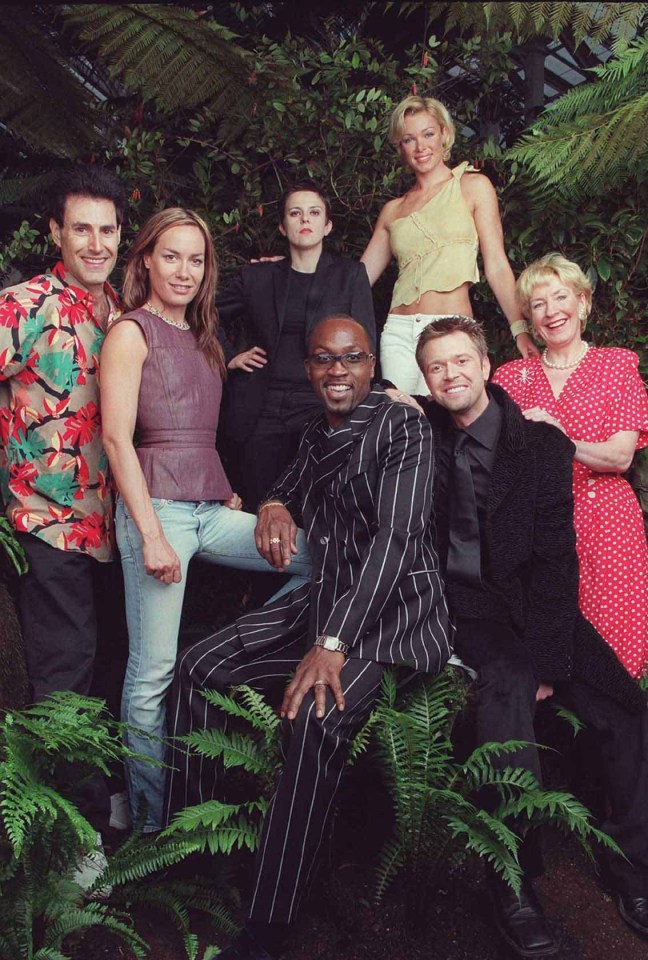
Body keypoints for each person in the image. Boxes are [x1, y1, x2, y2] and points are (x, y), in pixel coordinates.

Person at [165, 315, 453, 960]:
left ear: (371, 363)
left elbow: (397, 540)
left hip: (392, 611)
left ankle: (268, 923)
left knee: (316, 714)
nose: (338, 370)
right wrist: (270, 506)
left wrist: (333, 643)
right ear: (309, 368)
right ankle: (187, 857)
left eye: (350, 358)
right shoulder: (314, 432)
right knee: (197, 664)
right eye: (324, 359)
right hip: (324, 597)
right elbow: (288, 490)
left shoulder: (401, 425)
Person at [411, 315, 648, 957]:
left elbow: (555, 559)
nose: (451, 374)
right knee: (507, 696)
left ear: (487, 366)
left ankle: (632, 868)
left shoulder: (540, 447)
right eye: (437, 366)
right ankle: (512, 881)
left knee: (626, 708)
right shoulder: (420, 438)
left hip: (538, 605)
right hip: (468, 609)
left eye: (462, 361)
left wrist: (551, 656)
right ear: (426, 380)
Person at [100, 209, 311, 833]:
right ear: (144, 261)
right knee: (151, 674)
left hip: (208, 508)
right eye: (171, 256)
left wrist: (216, 492)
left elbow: (198, 433)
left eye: (196, 259)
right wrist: (151, 534)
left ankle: (250, 649)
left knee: (320, 556)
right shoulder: (130, 333)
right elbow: (116, 440)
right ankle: (148, 826)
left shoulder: (206, 336)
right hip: (156, 512)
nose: (184, 271)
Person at [0, 166, 127, 883]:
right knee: (65, 677)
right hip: (50, 525)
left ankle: (103, 799)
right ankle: (69, 842)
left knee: (112, 667)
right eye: (82, 228)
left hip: (120, 526)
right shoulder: (23, 305)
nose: (96, 242)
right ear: (55, 232)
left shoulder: (124, 311)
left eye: (107, 229)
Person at [492, 253, 648, 679]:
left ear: (583, 303)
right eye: (538, 304)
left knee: (613, 651)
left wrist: (560, 439)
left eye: (561, 297)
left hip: (606, 521)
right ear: (530, 318)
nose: (552, 311)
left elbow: (620, 456)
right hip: (537, 526)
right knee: (545, 654)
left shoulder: (617, 365)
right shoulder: (509, 378)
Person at [360, 94, 538, 396]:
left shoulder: (473, 186)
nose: (421, 147)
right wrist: (289, 269)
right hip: (398, 333)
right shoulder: (393, 210)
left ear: (444, 134)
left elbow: (496, 266)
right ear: (400, 147)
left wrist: (519, 328)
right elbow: (356, 279)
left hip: (451, 326)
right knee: (402, 427)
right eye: (409, 139)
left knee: (449, 423)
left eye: (428, 134)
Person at [217, 183, 376, 510]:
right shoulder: (257, 276)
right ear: (282, 225)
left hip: (321, 401)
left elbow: (364, 344)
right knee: (260, 504)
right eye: (295, 212)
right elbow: (204, 312)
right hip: (262, 405)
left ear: (327, 225)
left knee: (317, 505)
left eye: (314, 212)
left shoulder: (350, 275)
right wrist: (230, 356)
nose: (305, 219)